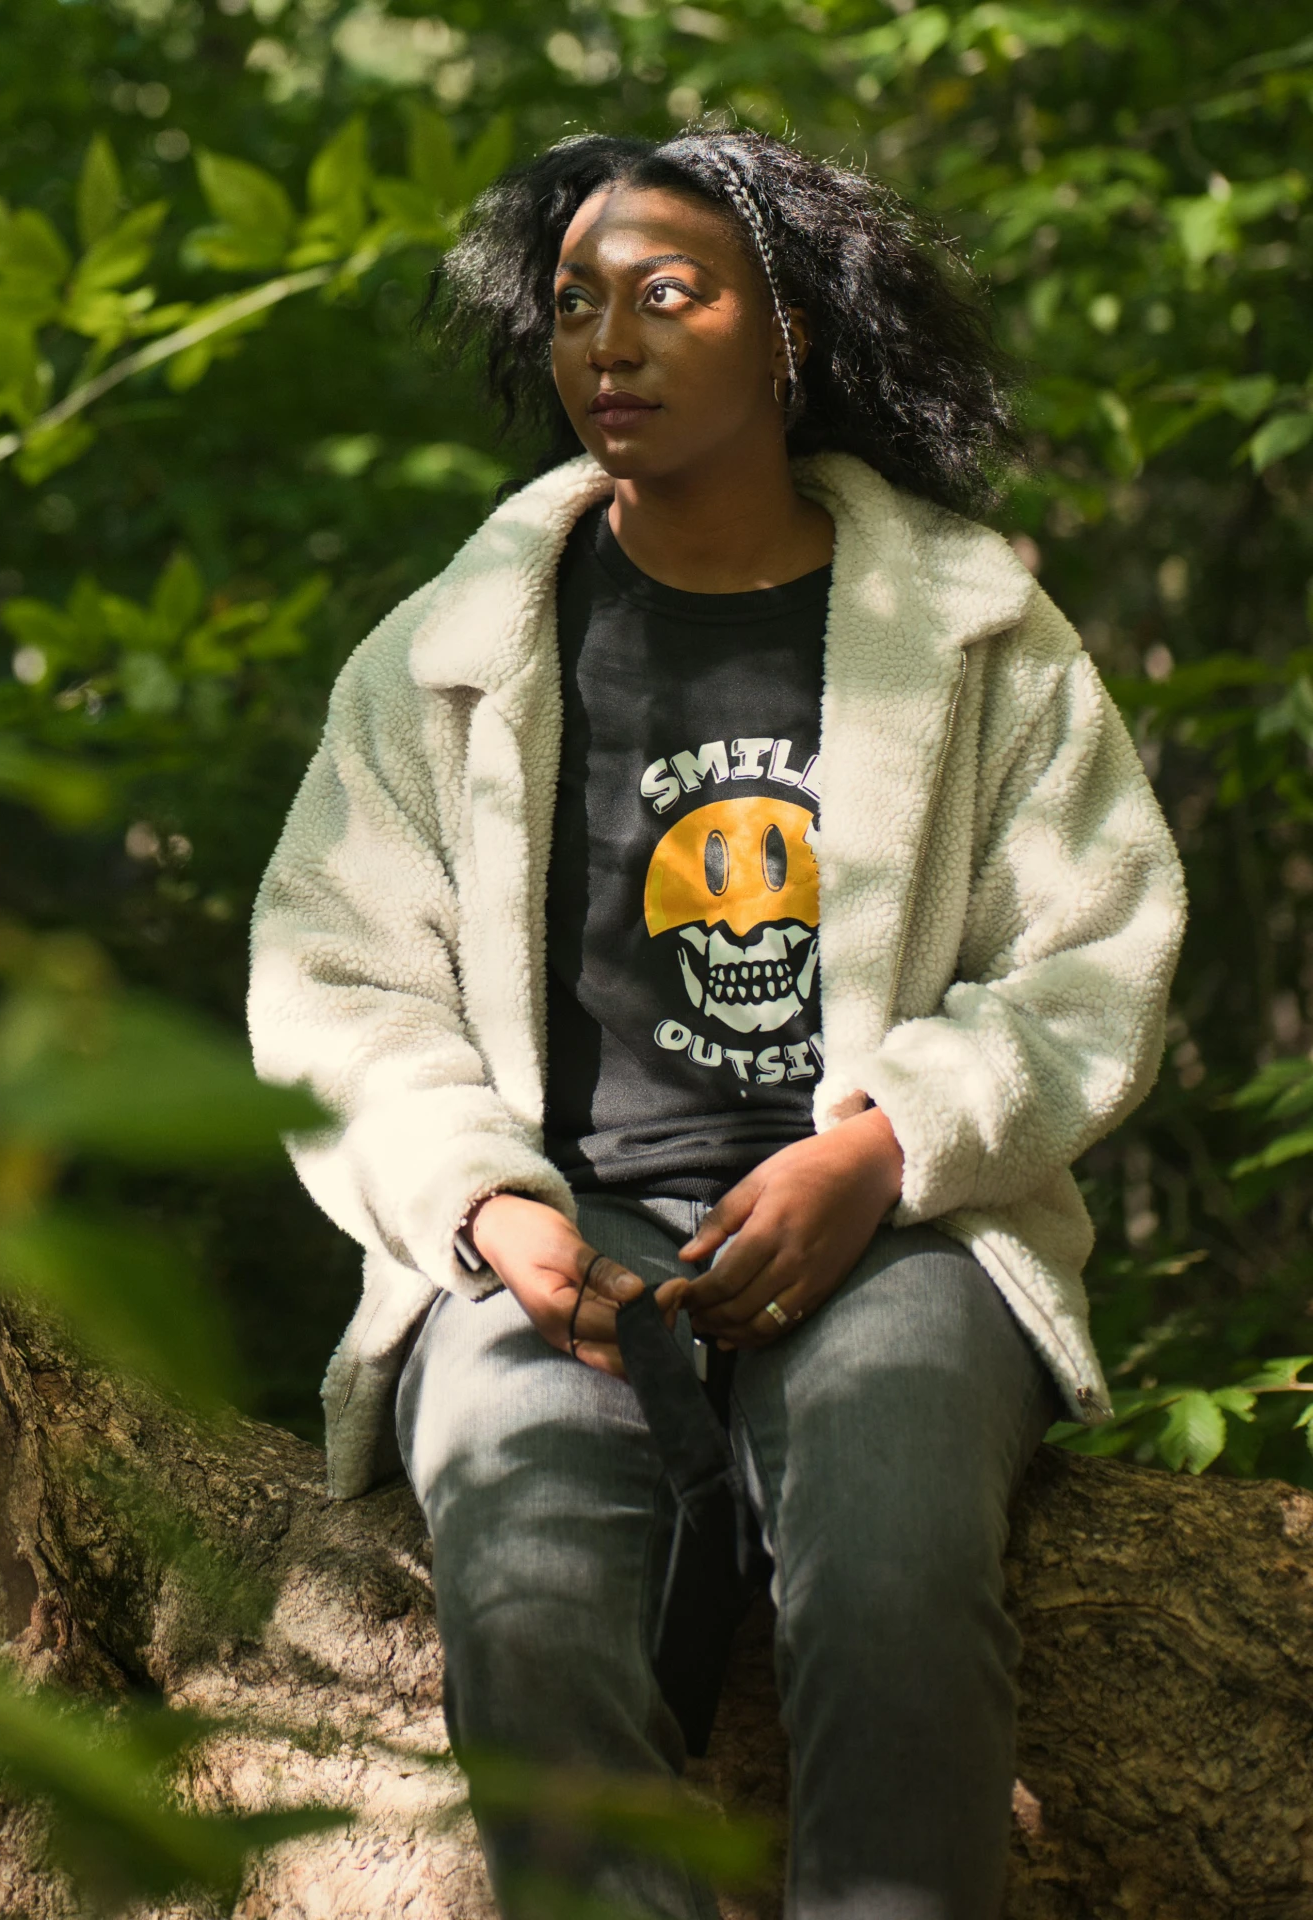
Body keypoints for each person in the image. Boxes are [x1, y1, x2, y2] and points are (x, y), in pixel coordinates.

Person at [246, 126, 1185, 1920]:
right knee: (523, 1591)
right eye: (578, 305)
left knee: (898, 1568)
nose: (610, 341)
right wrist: (476, 1200)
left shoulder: (980, 631)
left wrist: (886, 1143)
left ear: (791, 338)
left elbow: (1094, 949)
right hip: (555, 1237)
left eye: (670, 298)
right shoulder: (453, 648)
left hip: (900, 1227)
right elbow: (332, 980)